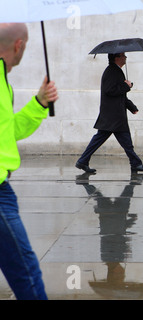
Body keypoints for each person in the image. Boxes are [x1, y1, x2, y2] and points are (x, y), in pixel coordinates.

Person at [0, 23, 58, 300]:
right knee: (27, 276)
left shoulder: (3, 79)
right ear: (18, 45)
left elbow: (8, 131)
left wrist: (39, 102)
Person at [76, 52, 143, 173]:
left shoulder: (116, 71)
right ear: (117, 58)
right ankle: (136, 164)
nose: (125, 57)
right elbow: (110, 90)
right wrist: (126, 86)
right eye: (123, 55)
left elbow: (120, 95)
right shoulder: (112, 71)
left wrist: (132, 107)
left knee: (120, 141)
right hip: (113, 116)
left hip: (115, 116)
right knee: (122, 141)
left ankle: (83, 161)